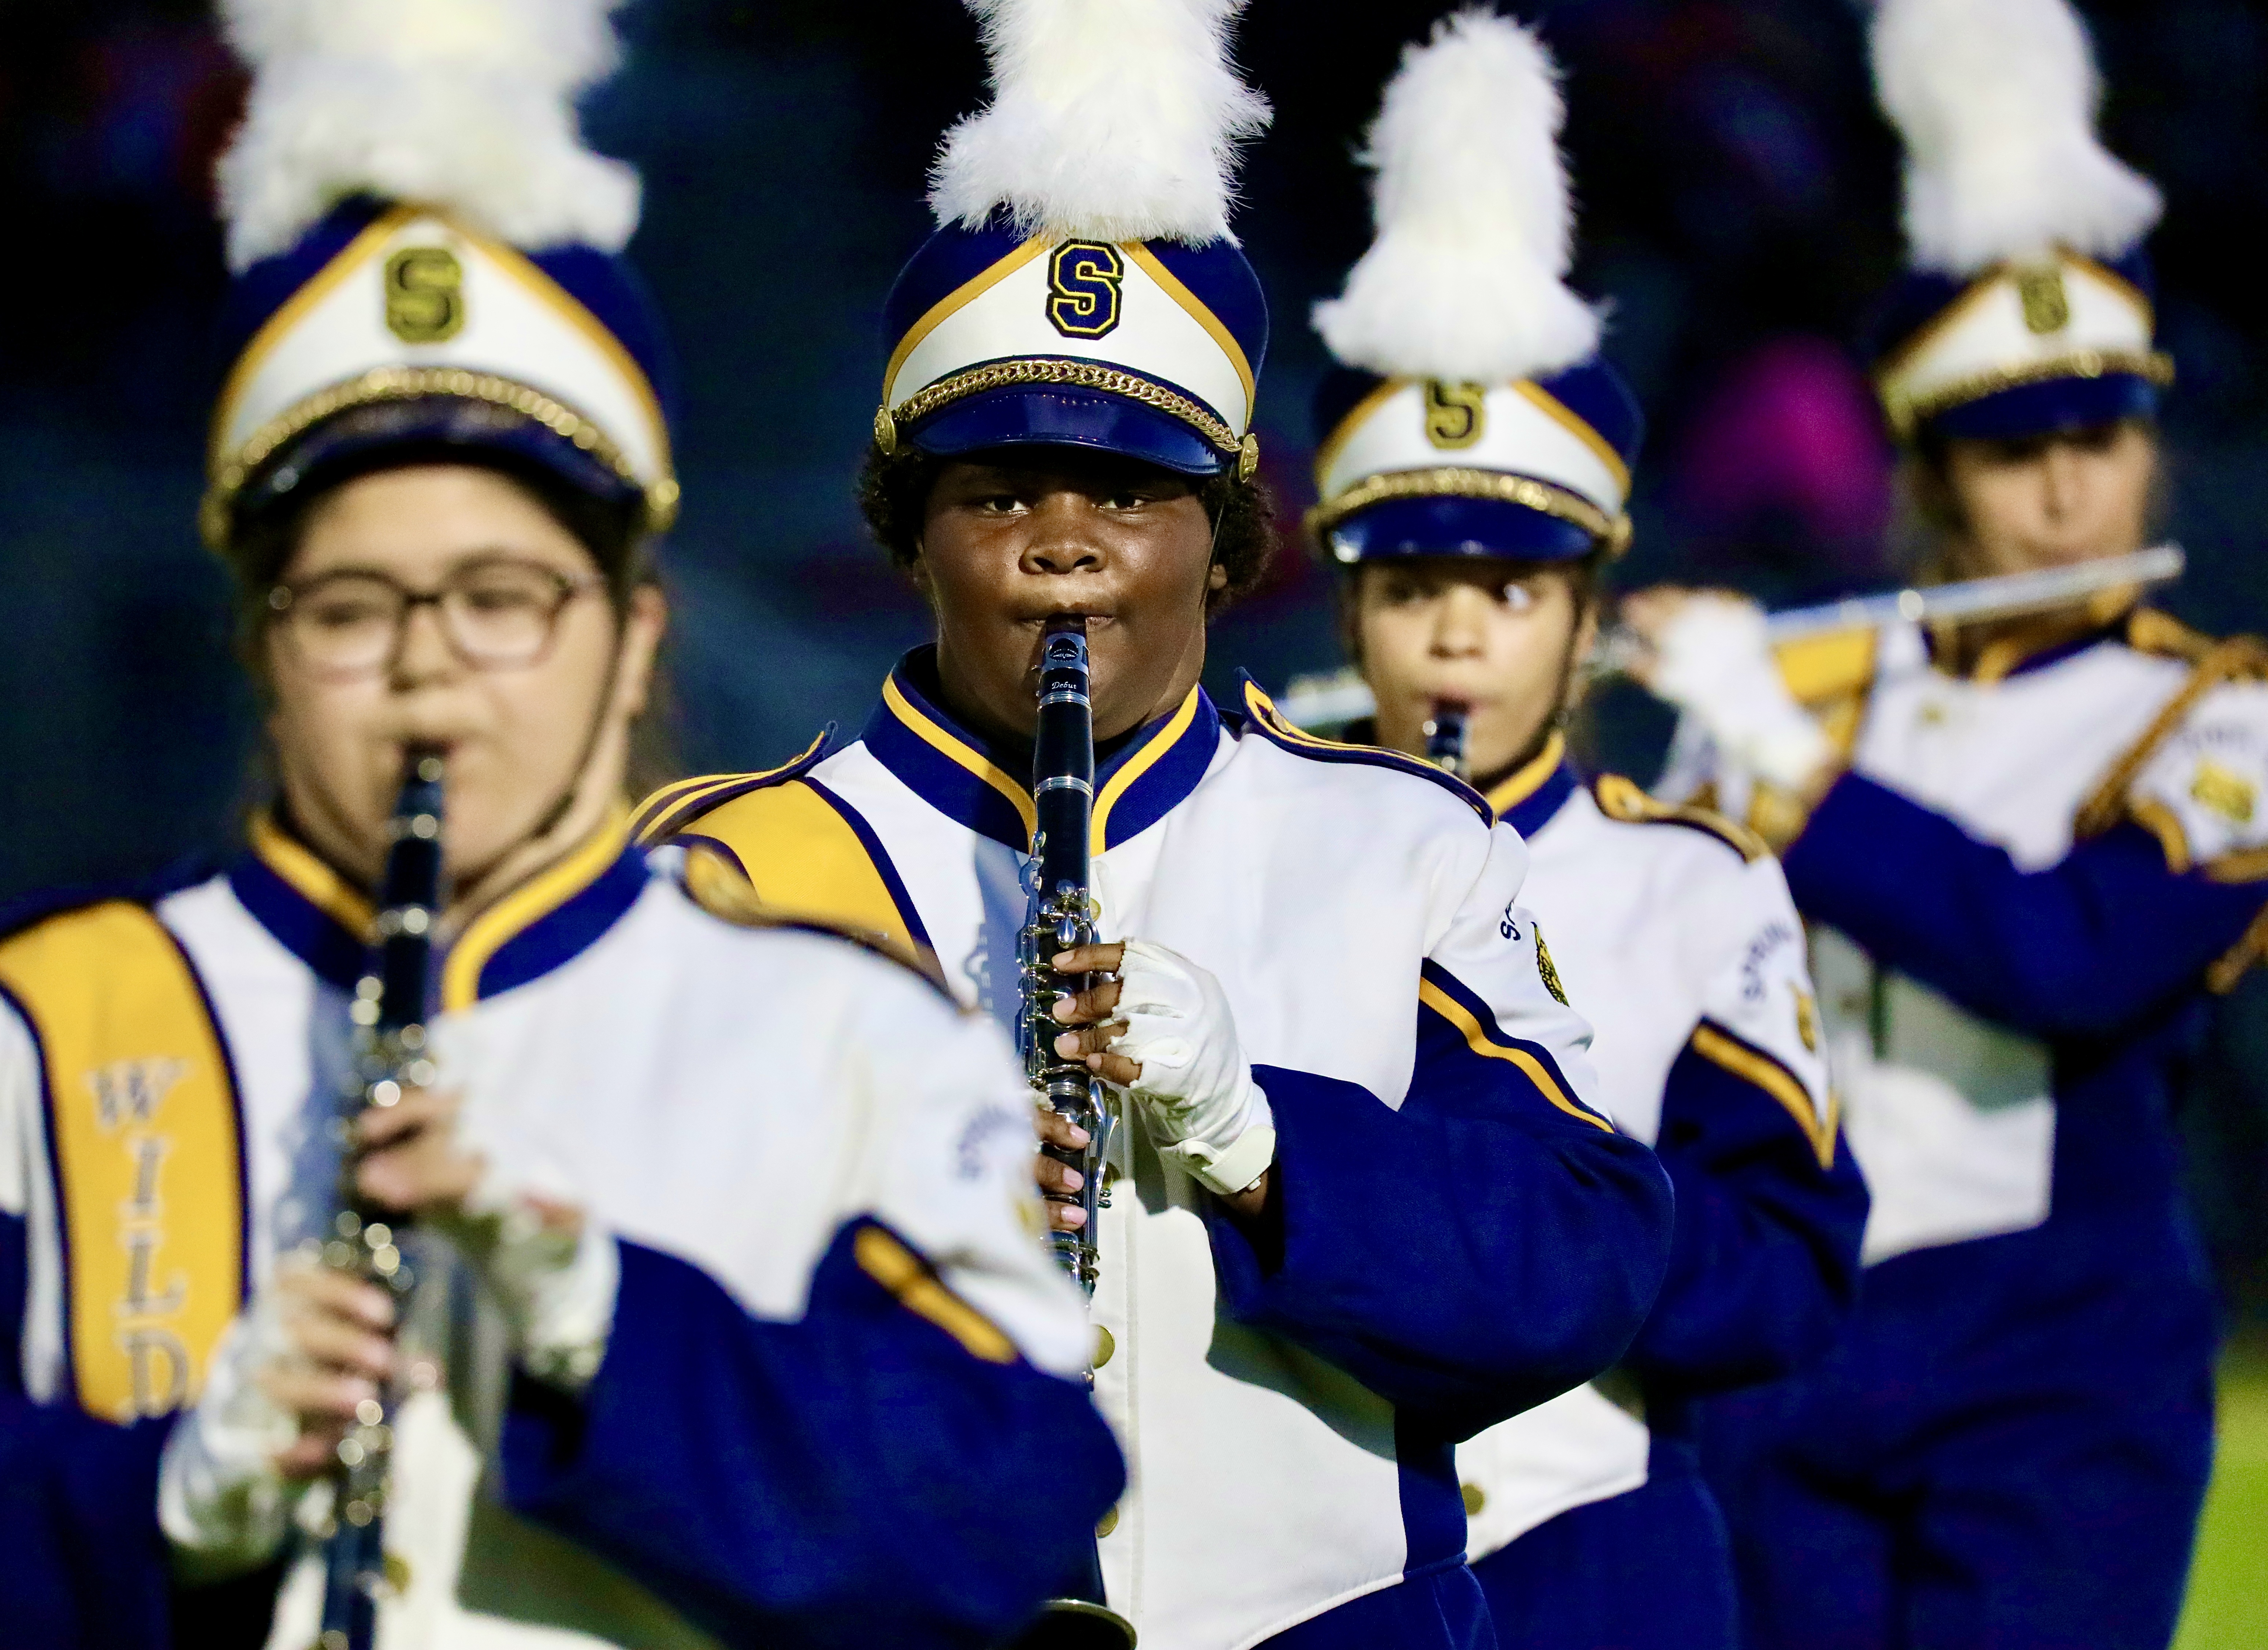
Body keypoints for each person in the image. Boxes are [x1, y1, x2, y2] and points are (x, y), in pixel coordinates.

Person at [0, 4, 1122, 1647]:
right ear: (260, 639)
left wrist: (598, 1322)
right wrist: (157, 1499)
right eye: (352, 606)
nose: (428, 666)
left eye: (504, 600)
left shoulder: (853, 1043)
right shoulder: (11, 1039)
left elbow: (1005, 1514)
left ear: (635, 638)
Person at [631, 4, 1675, 1646]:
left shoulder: (1403, 847)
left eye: (1128, 495)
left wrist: (1263, 1139)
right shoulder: (729, 871)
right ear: (917, 536)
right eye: (998, 494)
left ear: (1228, 532)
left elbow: (1587, 1262)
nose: (1066, 546)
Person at [1626, 0, 2268, 1644]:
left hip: (2056, 1360)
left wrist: (1787, 769)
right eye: (2011, 449)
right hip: (1794, 1343)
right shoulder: (1814, 673)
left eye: (2100, 437)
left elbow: (2067, 953)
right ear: (1931, 471)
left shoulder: (2225, 715)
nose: (2067, 493)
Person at [1304, 17, 1870, 1649]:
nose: (1461, 637)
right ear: (1352, 602)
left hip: (1595, 1549)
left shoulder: (1689, 880)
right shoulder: (1253, 840)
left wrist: (1545, 1253)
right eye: (1413, 589)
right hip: (1316, 1562)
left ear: (1591, 609)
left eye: (1513, 588)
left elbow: (1785, 1267)